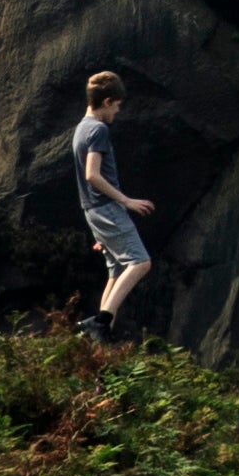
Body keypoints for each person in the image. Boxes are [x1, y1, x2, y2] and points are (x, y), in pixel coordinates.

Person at [72, 70, 154, 340]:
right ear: (107, 101)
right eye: (117, 106)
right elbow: (92, 175)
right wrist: (126, 201)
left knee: (117, 272)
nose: (117, 112)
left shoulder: (81, 128)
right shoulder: (98, 129)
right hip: (106, 207)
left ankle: (97, 343)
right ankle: (101, 322)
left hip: (94, 211)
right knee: (141, 262)